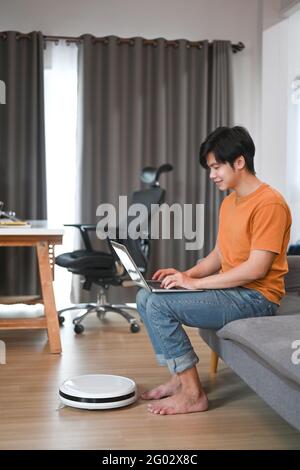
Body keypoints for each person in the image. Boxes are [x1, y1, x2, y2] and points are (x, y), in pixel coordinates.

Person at [136, 126, 292, 416]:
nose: (212, 175)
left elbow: (256, 269)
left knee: (159, 306)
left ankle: (194, 395)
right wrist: (185, 275)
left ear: (240, 162)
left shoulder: (270, 204)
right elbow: (219, 255)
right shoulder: (231, 202)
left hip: (256, 299)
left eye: (216, 166)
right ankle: (177, 379)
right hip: (232, 292)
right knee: (146, 297)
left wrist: (196, 284)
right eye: (210, 168)